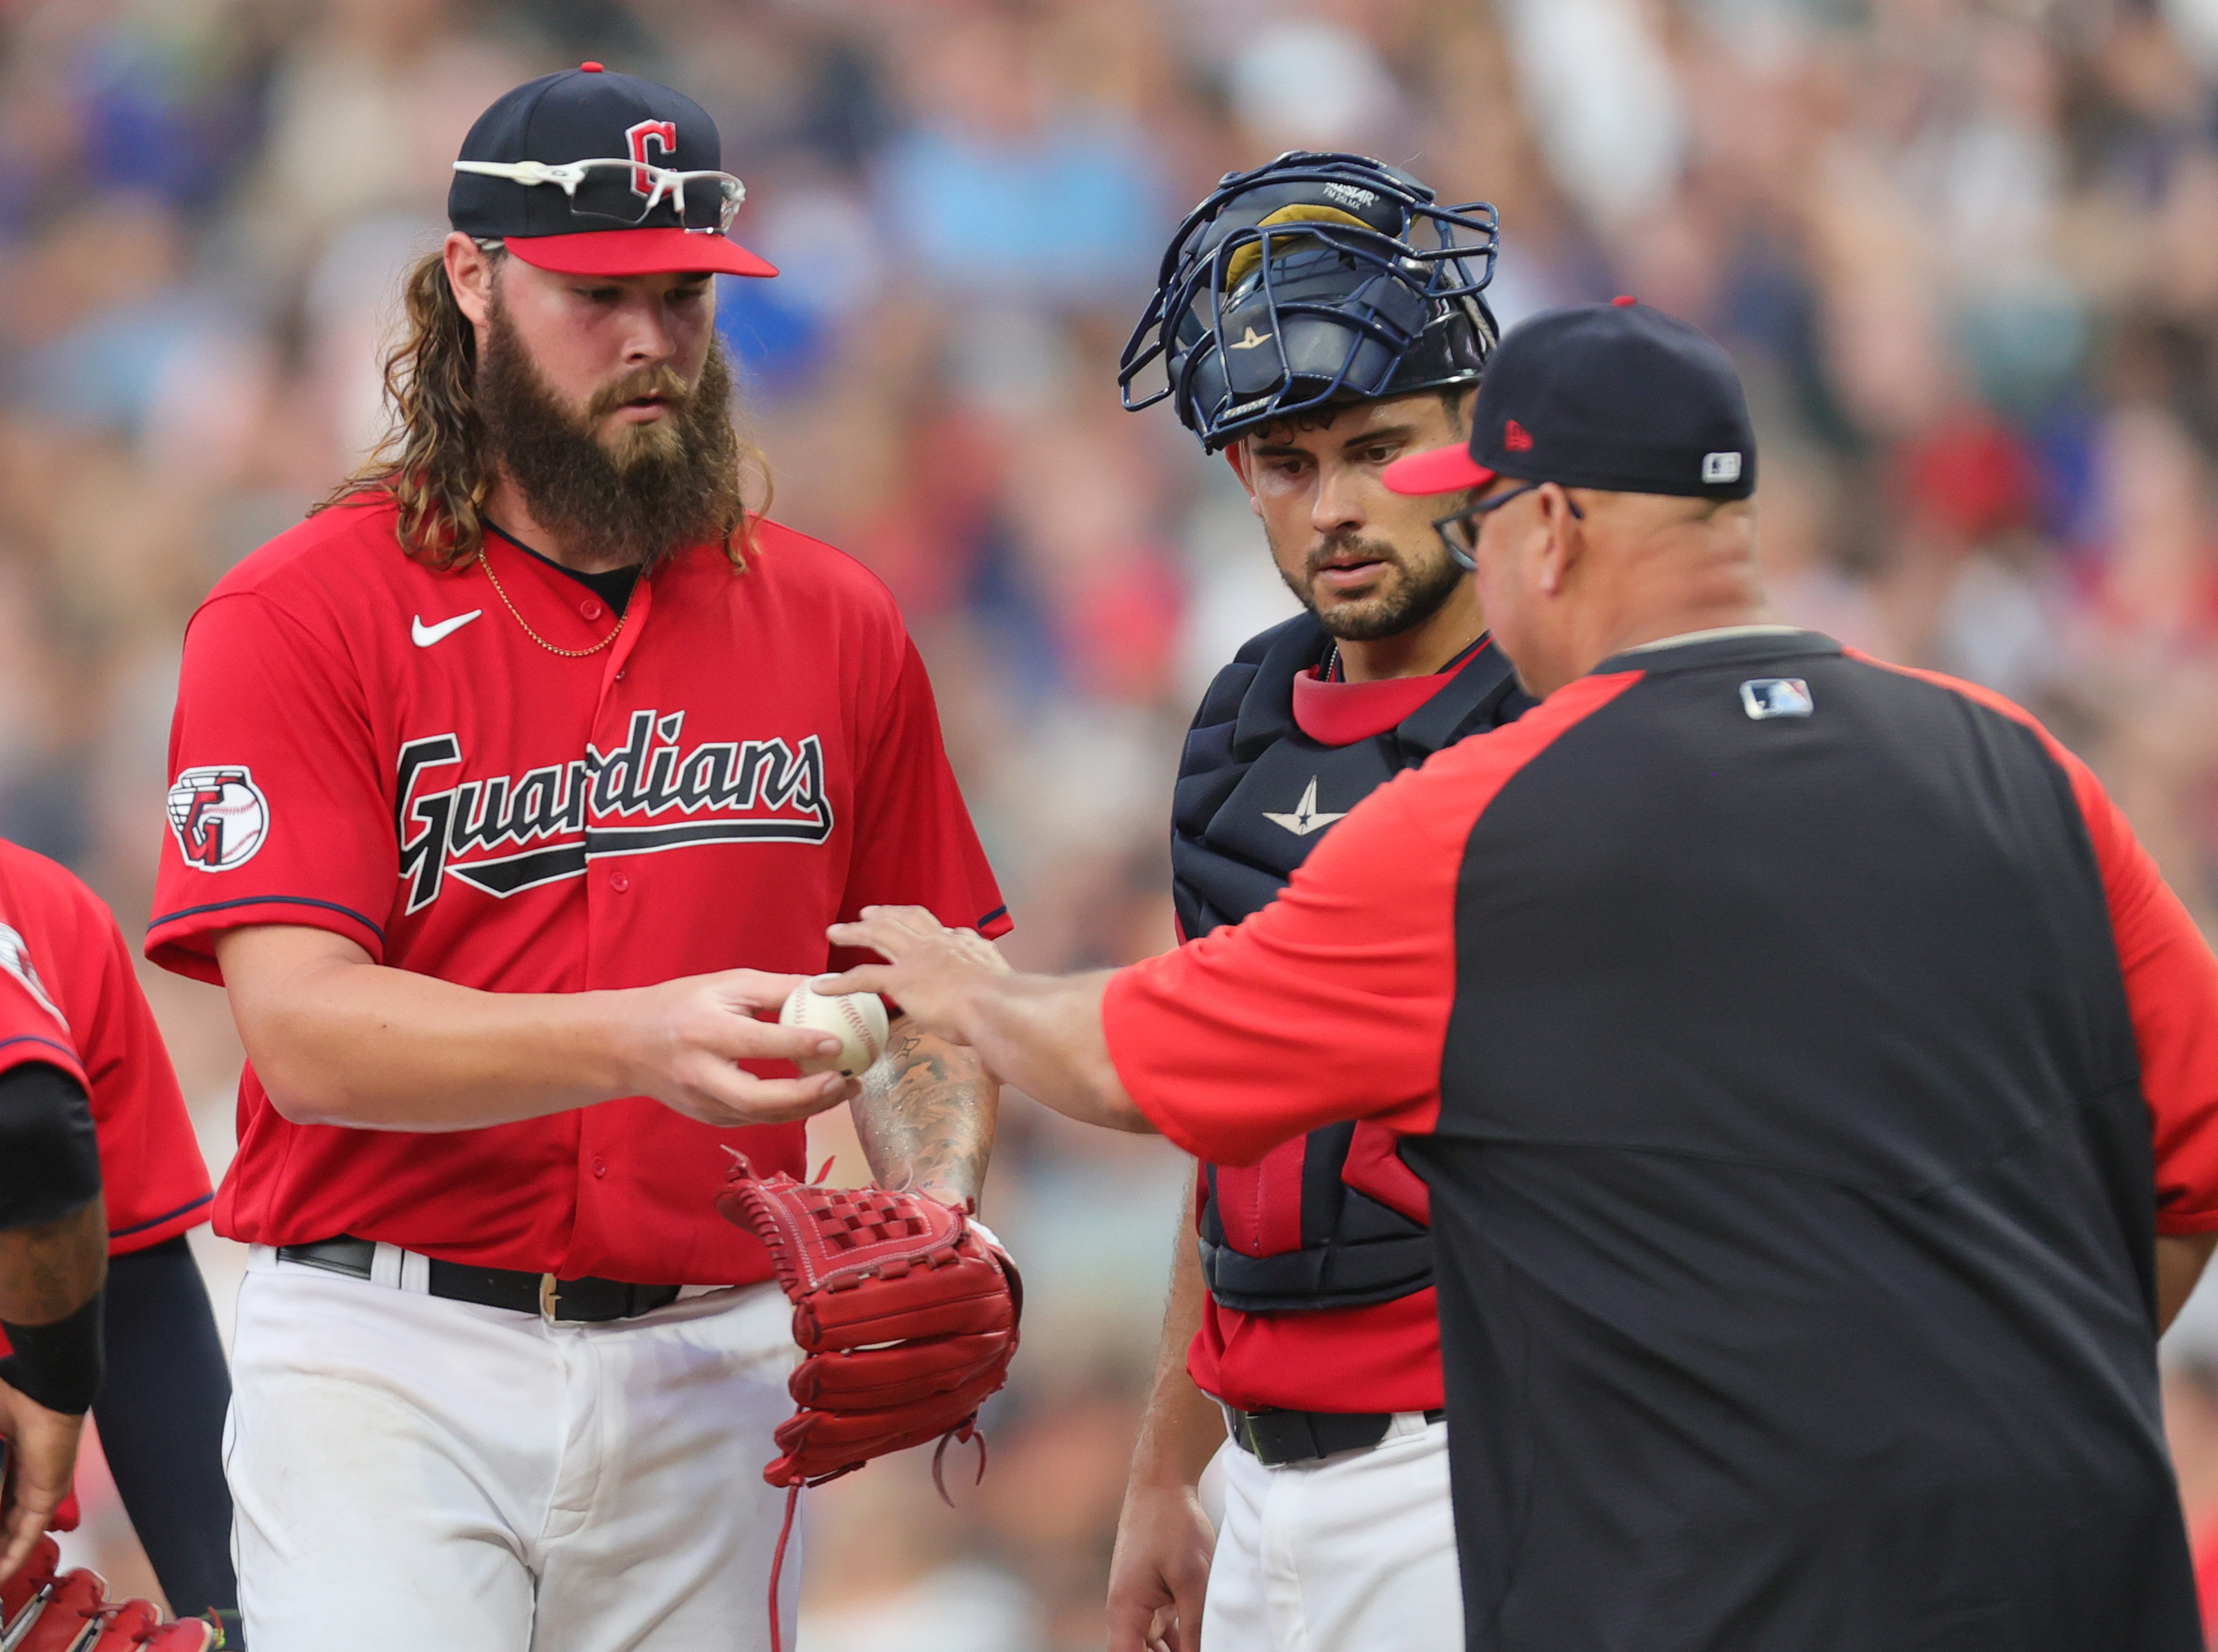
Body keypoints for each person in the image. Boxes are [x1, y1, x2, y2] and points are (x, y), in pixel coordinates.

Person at [824, 301, 2218, 1650]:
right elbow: (2197, 1148)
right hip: (2059, 1552)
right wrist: (2031, 1378)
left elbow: (1145, 1058)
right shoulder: (2013, 764)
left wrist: (969, 989)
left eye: (1477, 515)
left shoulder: (1489, 816)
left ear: (1548, 528)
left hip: (1726, 1569)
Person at [145, 65, 1008, 1652]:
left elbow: (929, 994)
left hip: (720, 1361)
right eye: (598, 293)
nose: (650, 343)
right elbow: (307, 1032)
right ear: (472, 277)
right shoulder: (302, 613)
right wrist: (635, 1037)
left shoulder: (832, 620)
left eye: (682, 297)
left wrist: (937, 1203)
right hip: (387, 1355)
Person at [1107, 151, 1516, 1652]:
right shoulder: (1240, 720)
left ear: (1474, 433)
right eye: (1289, 462)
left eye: (1381, 446)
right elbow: (1232, 1129)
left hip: (1490, 1461)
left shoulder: (1560, 713)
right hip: (1263, 1475)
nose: (1337, 505)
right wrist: (1170, 1459)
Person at [0, 839, 233, 1641]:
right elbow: (26, 1119)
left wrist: (233, 1613)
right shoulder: (47, 901)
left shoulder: (47, 907)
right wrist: (58, 1383)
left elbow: (135, 1285)